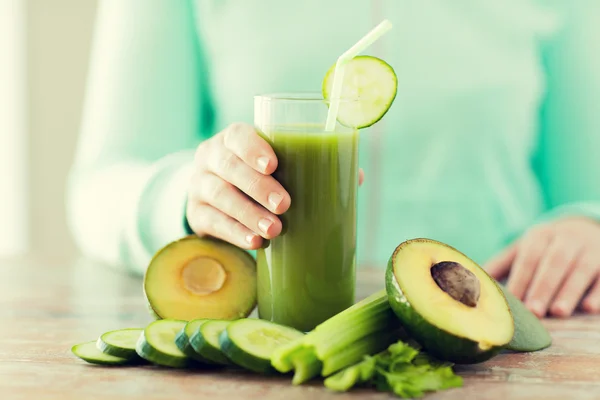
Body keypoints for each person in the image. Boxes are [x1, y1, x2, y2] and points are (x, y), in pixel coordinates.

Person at [66, 0, 600, 319]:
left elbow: (587, 188)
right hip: (261, 337)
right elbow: (99, 186)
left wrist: (587, 222)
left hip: (486, 333)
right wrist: (189, 197)